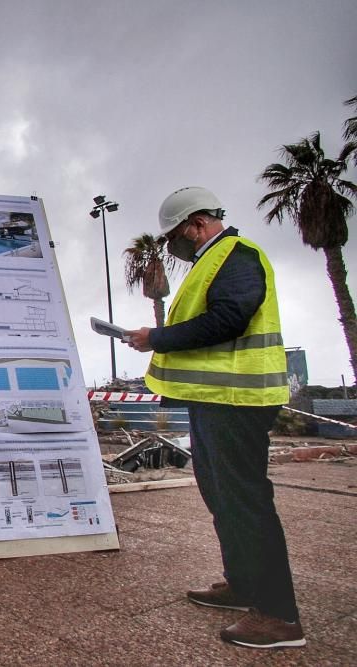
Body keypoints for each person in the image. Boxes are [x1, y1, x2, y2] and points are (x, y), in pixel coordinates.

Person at [125, 186, 303, 649]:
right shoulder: (214, 259)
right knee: (221, 496)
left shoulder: (238, 255)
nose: (172, 248)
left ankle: (278, 616)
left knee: (245, 503)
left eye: (174, 237)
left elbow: (230, 319)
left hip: (237, 401)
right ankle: (243, 584)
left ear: (197, 224)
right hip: (216, 399)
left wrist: (157, 338)